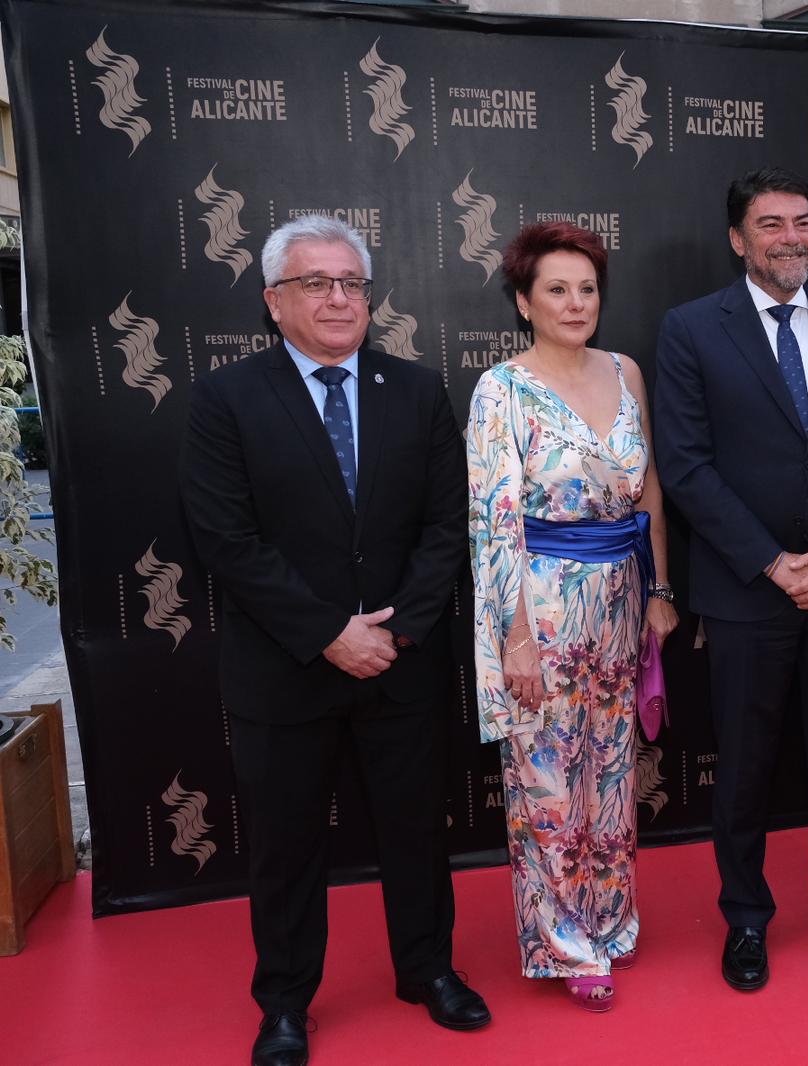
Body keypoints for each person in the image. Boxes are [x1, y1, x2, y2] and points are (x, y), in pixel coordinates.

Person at [180, 215, 489, 1066]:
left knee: (418, 834)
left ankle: (427, 970)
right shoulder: (226, 399)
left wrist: (397, 631)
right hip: (284, 672)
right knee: (284, 848)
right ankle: (284, 1003)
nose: (339, 298)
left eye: (352, 282)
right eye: (316, 283)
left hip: (402, 663)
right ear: (274, 302)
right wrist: (327, 635)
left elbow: (444, 526)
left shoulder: (418, 390)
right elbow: (226, 540)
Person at [653, 166, 808, 990]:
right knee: (747, 766)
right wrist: (771, 562)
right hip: (745, 594)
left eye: (802, 221)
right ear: (738, 239)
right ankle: (748, 919)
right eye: (771, 224)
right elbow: (687, 469)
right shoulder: (692, 330)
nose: (791, 236)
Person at [467, 221, 677, 1012]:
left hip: (622, 597)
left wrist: (658, 590)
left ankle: (610, 916)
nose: (575, 301)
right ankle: (564, 943)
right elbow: (494, 521)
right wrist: (514, 637)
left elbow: (648, 485)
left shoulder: (626, 371)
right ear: (524, 301)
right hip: (543, 606)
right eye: (556, 288)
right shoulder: (502, 389)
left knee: (613, 771)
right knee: (546, 782)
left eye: (587, 287)